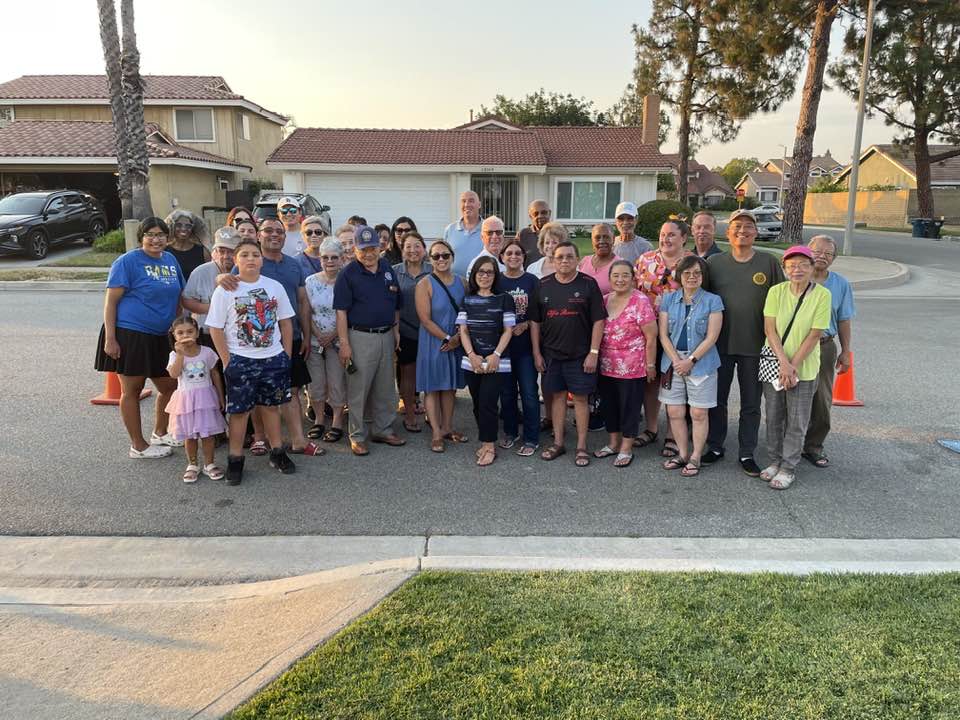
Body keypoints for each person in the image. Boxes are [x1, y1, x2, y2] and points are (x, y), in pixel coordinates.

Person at [216, 218, 322, 457]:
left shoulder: (294, 265)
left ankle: (298, 440)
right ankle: (260, 438)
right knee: (256, 396)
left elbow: (303, 301)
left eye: (279, 231)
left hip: (287, 339)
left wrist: (305, 335)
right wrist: (219, 277)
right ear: (259, 235)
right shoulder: (249, 261)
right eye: (268, 231)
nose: (274, 235)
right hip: (251, 345)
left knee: (291, 391)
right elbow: (228, 282)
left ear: (285, 237)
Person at [207, 236, 297, 484]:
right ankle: (235, 459)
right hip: (241, 360)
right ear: (235, 260)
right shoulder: (225, 290)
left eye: (255, 255)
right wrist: (227, 361)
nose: (250, 259)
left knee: (271, 407)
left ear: (262, 260)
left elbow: (285, 322)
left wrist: (285, 354)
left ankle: (277, 452)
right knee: (240, 412)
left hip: (273, 358)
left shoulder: (274, 287)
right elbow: (215, 328)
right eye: (244, 255)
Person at [94, 217, 184, 458]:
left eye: (160, 234)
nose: (156, 239)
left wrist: (179, 331)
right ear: (141, 237)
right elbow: (111, 302)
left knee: (170, 385)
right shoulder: (127, 262)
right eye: (150, 234)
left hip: (161, 336)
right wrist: (110, 338)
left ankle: (160, 432)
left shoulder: (170, 260)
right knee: (132, 390)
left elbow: (178, 297)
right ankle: (138, 445)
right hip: (131, 333)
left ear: (168, 237)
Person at [703, 209, 784, 476]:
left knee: (751, 403)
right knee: (718, 399)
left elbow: (781, 303)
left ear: (756, 232)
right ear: (727, 232)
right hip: (720, 345)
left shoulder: (769, 263)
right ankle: (715, 445)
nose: (742, 231)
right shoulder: (715, 263)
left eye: (748, 226)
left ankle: (747, 452)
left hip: (756, 346)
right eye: (737, 226)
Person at [760, 246, 831, 490]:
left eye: (802, 264)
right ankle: (774, 460)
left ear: (812, 268)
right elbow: (770, 329)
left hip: (805, 368)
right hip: (775, 365)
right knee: (774, 417)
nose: (797, 269)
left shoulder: (822, 295)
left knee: (797, 421)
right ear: (784, 268)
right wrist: (783, 363)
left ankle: (788, 467)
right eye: (791, 265)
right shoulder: (775, 291)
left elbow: (815, 335)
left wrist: (793, 366)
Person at [334, 225, 406, 456]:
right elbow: (341, 312)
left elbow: (396, 302)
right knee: (359, 388)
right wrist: (344, 343)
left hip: (386, 335)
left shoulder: (386, 268)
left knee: (385, 387)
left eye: (372, 248)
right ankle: (357, 435)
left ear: (379, 247)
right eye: (363, 249)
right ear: (354, 250)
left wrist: (395, 331)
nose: (368, 254)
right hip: (359, 337)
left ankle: (383, 429)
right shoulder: (348, 274)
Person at [533, 241, 607, 467]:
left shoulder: (588, 284)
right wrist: (537, 353)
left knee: (581, 399)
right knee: (556, 397)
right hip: (552, 355)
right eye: (560, 257)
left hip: (580, 355)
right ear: (553, 260)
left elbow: (598, 320)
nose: (564, 261)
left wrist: (593, 352)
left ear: (577, 260)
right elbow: (535, 322)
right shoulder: (542, 285)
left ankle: (582, 446)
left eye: (569, 257)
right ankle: (558, 442)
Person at [658, 256, 724, 478]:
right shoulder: (668, 299)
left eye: (697, 272)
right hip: (673, 362)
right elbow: (663, 335)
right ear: (679, 276)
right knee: (674, 411)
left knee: (698, 412)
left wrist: (691, 361)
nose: (692, 277)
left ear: (703, 276)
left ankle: (696, 455)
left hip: (701, 363)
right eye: (687, 273)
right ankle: (683, 453)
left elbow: (712, 336)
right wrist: (676, 360)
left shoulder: (713, 301)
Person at [634, 218, 693, 458]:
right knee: (651, 380)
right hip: (647, 330)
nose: (665, 239)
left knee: (674, 383)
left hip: (679, 332)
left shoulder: (692, 262)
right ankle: (651, 428)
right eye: (662, 234)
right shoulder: (646, 259)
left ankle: (673, 433)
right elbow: (636, 291)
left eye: (671, 235)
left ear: (683, 238)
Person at [593, 260, 657, 468]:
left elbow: (651, 337)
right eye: (616, 276)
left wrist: (650, 365)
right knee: (609, 406)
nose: (620, 280)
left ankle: (626, 447)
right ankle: (613, 443)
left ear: (633, 278)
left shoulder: (640, 301)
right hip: (606, 365)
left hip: (633, 366)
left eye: (625, 275)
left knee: (629, 408)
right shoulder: (603, 300)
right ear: (609, 278)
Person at [802, 235, 856, 469]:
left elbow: (844, 319)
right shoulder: (794, 278)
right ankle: (787, 442)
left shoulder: (840, 284)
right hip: (794, 347)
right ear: (807, 251)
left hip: (824, 346)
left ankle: (813, 445)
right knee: (789, 396)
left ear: (833, 259)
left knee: (821, 399)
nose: (822, 256)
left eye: (828, 254)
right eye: (817, 251)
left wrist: (845, 351)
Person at [458, 257, 517, 467]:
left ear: (495, 275)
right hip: (471, 360)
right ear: (474, 275)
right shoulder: (467, 300)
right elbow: (463, 330)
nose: (485, 276)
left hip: (496, 361)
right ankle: (485, 440)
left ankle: (490, 446)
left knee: (488, 403)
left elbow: (508, 330)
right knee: (476, 404)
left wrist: (496, 354)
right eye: (480, 272)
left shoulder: (504, 299)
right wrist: (472, 354)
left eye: (489, 272)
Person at [415, 239, 468, 453]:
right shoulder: (425, 284)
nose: (441, 259)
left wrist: (457, 338)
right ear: (430, 260)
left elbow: (467, 313)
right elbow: (425, 319)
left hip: (456, 339)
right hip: (433, 341)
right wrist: (448, 338)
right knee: (432, 388)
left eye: (445, 255)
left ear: (452, 257)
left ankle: (447, 428)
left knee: (449, 387)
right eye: (436, 256)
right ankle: (436, 432)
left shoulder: (462, 282)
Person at [165, 315, 227, 483]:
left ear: (197, 332)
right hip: (185, 401)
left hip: (206, 399)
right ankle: (192, 465)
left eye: (190, 331)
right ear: (174, 335)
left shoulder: (207, 352)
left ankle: (209, 464)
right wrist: (180, 355)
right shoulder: (174, 354)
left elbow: (215, 374)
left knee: (207, 435)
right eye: (180, 333)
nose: (186, 336)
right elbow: (174, 374)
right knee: (189, 435)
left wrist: (221, 397)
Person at [497, 239, 541, 455]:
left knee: (529, 392)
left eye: (518, 253)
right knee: (506, 393)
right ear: (502, 257)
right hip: (503, 349)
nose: (513, 257)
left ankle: (532, 438)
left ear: (524, 258)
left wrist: (524, 324)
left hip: (525, 348)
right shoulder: (497, 282)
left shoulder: (532, 281)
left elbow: (539, 313)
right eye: (509, 253)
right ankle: (510, 432)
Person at [304, 237, 347, 443]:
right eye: (325, 257)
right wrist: (318, 335)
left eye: (334, 257)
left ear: (342, 259)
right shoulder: (310, 281)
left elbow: (349, 313)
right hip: (315, 341)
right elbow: (306, 312)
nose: (329, 261)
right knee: (317, 384)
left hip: (337, 342)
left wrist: (332, 335)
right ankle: (319, 420)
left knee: (337, 383)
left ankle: (337, 421)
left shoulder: (347, 281)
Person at [393, 231, 431, 433]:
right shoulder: (393, 272)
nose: (413, 250)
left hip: (430, 330)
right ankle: (408, 414)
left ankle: (431, 413)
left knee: (430, 373)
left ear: (424, 249)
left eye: (417, 245)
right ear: (402, 248)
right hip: (405, 330)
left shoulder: (433, 270)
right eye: (408, 246)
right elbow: (390, 304)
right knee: (408, 373)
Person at [181, 226, 238, 350]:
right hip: (206, 335)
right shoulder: (201, 272)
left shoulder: (245, 272)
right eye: (221, 251)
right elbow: (186, 300)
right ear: (215, 252)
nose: (226, 256)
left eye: (231, 251)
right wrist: (212, 308)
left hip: (236, 337)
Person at [443, 190, 483, 277]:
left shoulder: (488, 229)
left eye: (471, 201)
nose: (466, 205)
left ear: (479, 205)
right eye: (463, 201)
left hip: (481, 284)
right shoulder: (450, 230)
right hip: (454, 284)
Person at [164, 209, 210, 281]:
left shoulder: (202, 251)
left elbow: (209, 275)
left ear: (192, 228)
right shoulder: (164, 251)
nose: (183, 228)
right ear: (172, 227)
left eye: (188, 226)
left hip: (195, 291)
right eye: (179, 225)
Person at [578, 223, 620, 295]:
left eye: (606, 237)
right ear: (592, 241)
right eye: (597, 237)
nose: (601, 241)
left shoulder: (620, 265)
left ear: (613, 239)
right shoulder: (584, 261)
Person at [297, 215, 329, 281]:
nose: (313, 235)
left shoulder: (333, 258)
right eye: (309, 233)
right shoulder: (296, 262)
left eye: (318, 232)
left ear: (325, 235)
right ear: (303, 237)